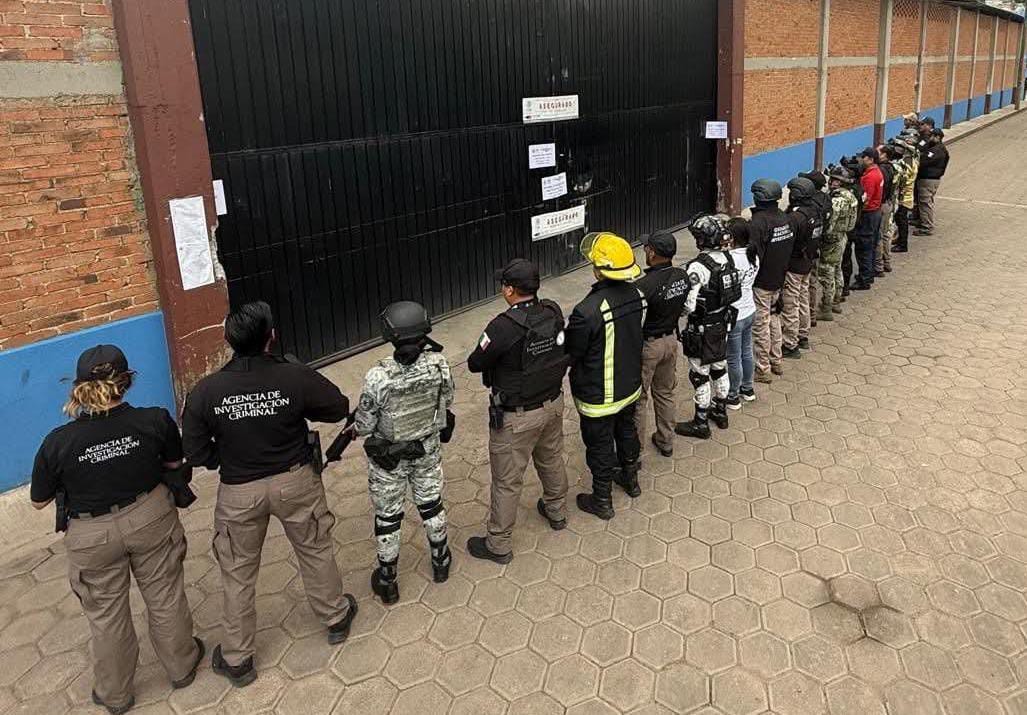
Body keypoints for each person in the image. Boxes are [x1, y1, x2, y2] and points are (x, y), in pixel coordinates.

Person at [183, 301, 356, 687]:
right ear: (271, 337)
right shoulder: (293, 375)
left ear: (228, 340)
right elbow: (339, 407)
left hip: (238, 491)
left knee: (237, 572)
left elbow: (193, 451)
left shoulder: (206, 391)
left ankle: (238, 658)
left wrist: (223, 457)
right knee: (315, 549)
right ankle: (336, 618)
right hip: (296, 482)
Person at [31, 345, 203, 714]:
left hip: (92, 535)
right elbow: (174, 463)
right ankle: (182, 666)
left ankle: (115, 694)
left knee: (106, 615)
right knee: (165, 595)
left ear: (79, 388)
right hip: (150, 516)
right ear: (127, 381)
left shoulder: (57, 442)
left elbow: (39, 501)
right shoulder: (155, 420)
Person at [465, 259, 569, 563]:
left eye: (504, 285)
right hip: (553, 405)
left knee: (507, 481)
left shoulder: (502, 326)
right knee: (551, 459)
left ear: (510, 290)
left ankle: (498, 544)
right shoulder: (552, 311)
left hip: (517, 418)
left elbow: (474, 363)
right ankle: (557, 511)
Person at [354, 301, 455, 598]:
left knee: (388, 518)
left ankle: (388, 581)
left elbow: (363, 426)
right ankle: (441, 562)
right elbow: (448, 400)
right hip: (427, 450)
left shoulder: (378, 376)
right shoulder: (439, 364)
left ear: (390, 334)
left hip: (390, 459)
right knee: (432, 504)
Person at [566, 231, 645, 519]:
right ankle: (631, 481)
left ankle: (602, 500)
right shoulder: (638, 295)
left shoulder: (586, 311)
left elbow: (573, 352)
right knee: (627, 431)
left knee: (599, 445)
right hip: (630, 385)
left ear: (599, 270)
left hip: (598, 396)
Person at [674, 214, 742, 439]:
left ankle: (700, 422)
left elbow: (689, 304)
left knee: (700, 375)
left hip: (701, 328)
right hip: (722, 323)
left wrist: (679, 314)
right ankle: (720, 412)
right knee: (719, 368)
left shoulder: (698, 266)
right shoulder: (728, 259)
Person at [634, 230, 690, 457]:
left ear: (652, 253)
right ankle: (666, 440)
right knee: (665, 392)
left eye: (646, 247)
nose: (644, 250)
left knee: (638, 399)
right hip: (671, 342)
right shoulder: (682, 276)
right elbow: (686, 307)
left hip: (648, 347)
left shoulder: (642, 286)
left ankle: (635, 452)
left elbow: (636, 322)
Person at [747, 179, 795, 383]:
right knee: (774, 318)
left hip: (762, 282)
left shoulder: (758, 223)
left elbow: (754, 255)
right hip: (779, 278)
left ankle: (762, 368)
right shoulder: (785, 218)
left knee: (760, 324)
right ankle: (777, 360)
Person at [782, 177, 823, 356]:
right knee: (803, 298)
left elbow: (788, 242)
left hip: (794, 265)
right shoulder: (815, 212)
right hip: (808, 262)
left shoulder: (796, 217)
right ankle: (803, 335)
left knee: (791, 303)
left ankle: (790, 344)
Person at [724, 218, 758, 409]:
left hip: (735, 315)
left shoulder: (730, 259)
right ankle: (748, 388)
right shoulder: (753, 255)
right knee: (746, 351)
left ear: (732, 237)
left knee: (733, 357)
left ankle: (733, 395)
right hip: (750, 310)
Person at [818, 166, 859, 321]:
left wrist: (822, 236)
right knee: (837, 270)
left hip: (832, 240)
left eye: (833, 179)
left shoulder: (837, 201)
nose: (830, 182)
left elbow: (829, 223)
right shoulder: (851, 197)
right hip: (843, 236)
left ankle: (827, 307)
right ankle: (836, 301)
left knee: (827, 273)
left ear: (839, 182)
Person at [852, 148, 884, 290]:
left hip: (868, 215)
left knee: (863, 247)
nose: (861, 160)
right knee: (870, 245)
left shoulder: (870, 177)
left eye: (864, 157)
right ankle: (868, 275)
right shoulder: (877, 172)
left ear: (870, 159)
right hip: (875, 213)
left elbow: (865, 199)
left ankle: (864, 279)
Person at [915, 128, 949, 236]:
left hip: (928, 179)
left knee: (925, 203)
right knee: (925, 202)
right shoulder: (938, 149)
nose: (929, 138)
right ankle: (923, 222)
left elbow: (923, 161)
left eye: (931, 136)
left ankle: (927, 227)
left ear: (937, 137)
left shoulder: (936, 150)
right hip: (931, 179)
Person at [874, 145, 898, 277]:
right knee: (886, 234)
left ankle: (879, 266)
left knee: (879, 236)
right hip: (888, 203)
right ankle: (886, 262)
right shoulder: (891, 167)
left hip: (882, 205)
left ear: (884, 155)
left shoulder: (881, 170)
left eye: (878, 152)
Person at [891, 139, 918, 253]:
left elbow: (901, 180)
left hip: (904, 197)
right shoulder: (912, 160)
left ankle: (902, 244)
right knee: (900, 220)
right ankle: (900, 240)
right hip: (907, 195)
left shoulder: (906, 164)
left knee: (902, 221)